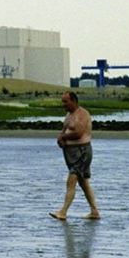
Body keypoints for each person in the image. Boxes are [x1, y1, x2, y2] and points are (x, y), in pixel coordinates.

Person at [50, 91, 101, 221]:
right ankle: (94, 211)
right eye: (62, 101)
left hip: (82, 152)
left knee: (71, 180)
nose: (63, 104)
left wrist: (64, 137)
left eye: (66, 101)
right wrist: (61, 139)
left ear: (73, 101)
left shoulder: (82, 114)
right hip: (70, 153)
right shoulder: (69, 115)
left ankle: (63, 211)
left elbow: (78, 133)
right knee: (83, 182)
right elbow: (64, 130)